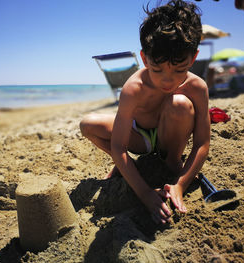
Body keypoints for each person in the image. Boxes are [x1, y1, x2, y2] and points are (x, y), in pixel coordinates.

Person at [79, 0, 210, 224]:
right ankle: (127, 166)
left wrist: (181, 184)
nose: (167, 80)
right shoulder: (134, 88)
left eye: (180, 69)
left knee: (179, 104)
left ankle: (172, 162)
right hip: (140, 137)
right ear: (144, 57)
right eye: (157, 69)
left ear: (193, 58)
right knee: (87, 124)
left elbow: (202, 144)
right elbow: (119, 146)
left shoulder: (197, 87)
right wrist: (146, 194)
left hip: (171, 136)